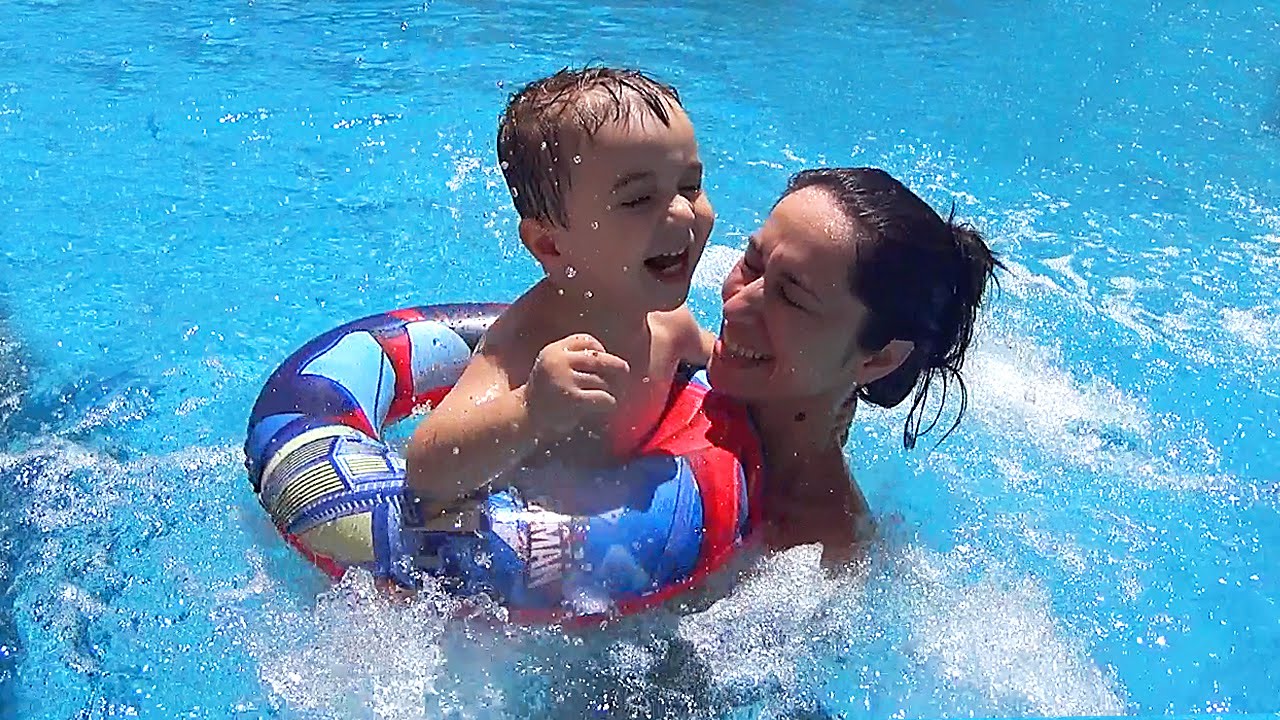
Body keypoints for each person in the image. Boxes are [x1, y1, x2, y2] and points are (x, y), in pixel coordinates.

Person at [404, 66, 712, 513]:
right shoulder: (525, 349)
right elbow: (425, 470)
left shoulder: (672, 327)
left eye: (690, 185)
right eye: (639, 199)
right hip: (513, 555)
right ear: (551, 244)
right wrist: (529, 409)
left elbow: (728, 368)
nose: (684, 213)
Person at [706, 166, 1001, 564]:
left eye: (791, 298)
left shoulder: (817, 560)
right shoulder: (667, 347)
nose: (735, 305)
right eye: (753, 263)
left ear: (879, 358)